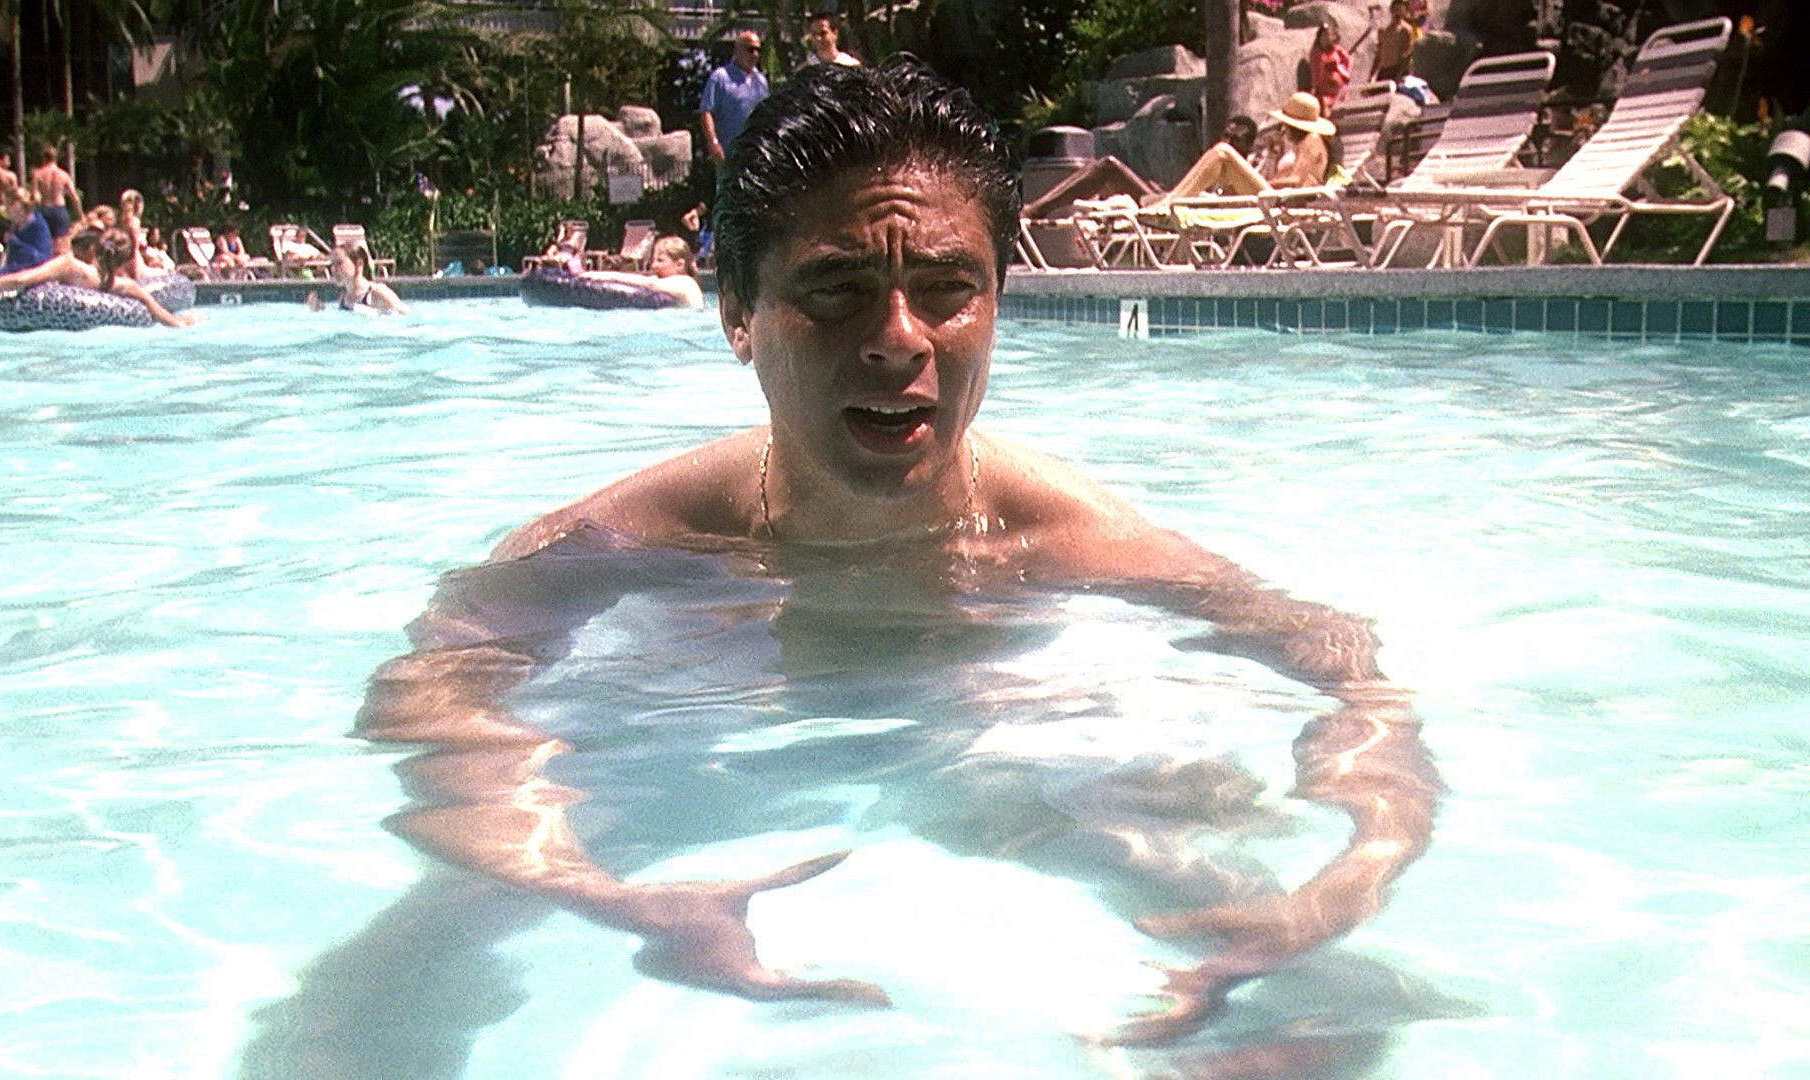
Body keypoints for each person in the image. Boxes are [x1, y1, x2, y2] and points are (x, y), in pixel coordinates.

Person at [344, 57, 1435, 1057]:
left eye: (948, 288)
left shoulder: (1063, 533)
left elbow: (1349, 672)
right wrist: (604, 895)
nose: (900, 337)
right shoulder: (631, 536)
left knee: (1324, 994)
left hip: (998, 750)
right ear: (738, 312)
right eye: (838, 288)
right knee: (387, 977)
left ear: (997, 305)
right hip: (709, 753)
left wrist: (1348, 870)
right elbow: (430, 691)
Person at [0, 226, 198, 329]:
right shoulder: (124, 287)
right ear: (124, 261)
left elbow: (21, 280)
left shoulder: (70, 267)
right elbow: (160, 314)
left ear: (94, 247)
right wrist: (185, 322)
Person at [1163, 92, 1336, 198]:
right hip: (1275, 198)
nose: (1283, 128)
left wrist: (1261, 182)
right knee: (1219, 168)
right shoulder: (1300, 143)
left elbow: (1296, 181)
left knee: (1223, 152)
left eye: (1286, 123)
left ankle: (1169, 203)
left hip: (1279, 202)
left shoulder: (1312, 140)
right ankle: (1172, 200)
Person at [699, 30, 770, 167]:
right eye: (750, 49)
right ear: (738, 50)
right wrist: (713, 142)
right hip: (728, 155)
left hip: (756, 155)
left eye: (758, 50)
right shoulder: (720, 77)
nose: (755, 54)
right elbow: (706, 112)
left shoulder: (761, 81)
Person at [571, 234, 703, 308]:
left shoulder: (686, 282)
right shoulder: (671, 281)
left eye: (660, 261)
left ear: (679, 264)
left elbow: (650, 283)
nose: (654, 265)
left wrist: (604, 276)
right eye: (653, 260)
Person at [330, 243, 407, 314]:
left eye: (339, 263)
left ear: (359, 264)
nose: (334, 269)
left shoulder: (377, 292)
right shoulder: (344, 297)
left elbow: (404, 315)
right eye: (332, 264)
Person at [0, 191, 55, 275]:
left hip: (32, 275)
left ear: (20, 209)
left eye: (9, 208)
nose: (7, 213)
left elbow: (41, 259)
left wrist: (15, 242)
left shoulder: (38, 226)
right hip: (12, 272)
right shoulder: (17, 225)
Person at [1371, 0, 1421, 82]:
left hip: (1397, 72)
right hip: (1383, 71)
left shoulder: (1405, 31)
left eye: (1401, 14)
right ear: (1392, 11)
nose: (1399, 16)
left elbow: (1407, 55)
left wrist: (1400, 75)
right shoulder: (1383, 31)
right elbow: (1379, 54)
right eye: (1397, 12)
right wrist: (1372, 74)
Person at [29, 145, 82, 221]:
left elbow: (34, 195)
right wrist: (80, 215)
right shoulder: (64, 175)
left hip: (44, 209)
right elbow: (75, 197)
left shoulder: (38, 174)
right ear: (55, 158)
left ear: (44, 158)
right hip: (59, 210)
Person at [1308, 22, 1353, 112]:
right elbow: (1315, 71)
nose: (1327, 37)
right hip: (1325, 90)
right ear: (1319, 36)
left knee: (1344, 106)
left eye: (1328, 35)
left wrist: (1343, 70)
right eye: (1324, 35)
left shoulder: (1336, 49)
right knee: (1324, 105)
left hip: (1339, 90)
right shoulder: (1316, 52)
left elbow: (1348, 59)